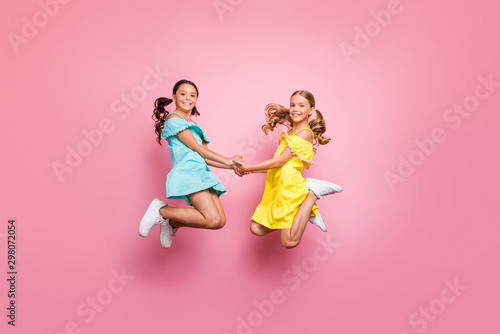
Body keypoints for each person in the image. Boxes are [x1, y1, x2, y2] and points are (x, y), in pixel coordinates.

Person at [139, 79, 243, 248]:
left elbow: (205, 157)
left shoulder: (194, 124)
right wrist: (228, 159)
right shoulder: (173, 120)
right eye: (183, 94)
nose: (188, 98)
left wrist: (231, 166)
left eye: (192, 95)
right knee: (212, 218)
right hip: (189, 174)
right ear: (174, 97)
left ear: (196, 99)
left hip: (201, 173)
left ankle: (172, 223)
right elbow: (195, 147)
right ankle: (162, 211)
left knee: (219, 221)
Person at [233, 90, 342, 249]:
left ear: (311, 110)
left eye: (301, 105)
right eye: (292, 105)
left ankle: (311, 195)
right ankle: (303, 211)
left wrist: (249, 167)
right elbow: (279, 166)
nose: (295, 109)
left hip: (288, 188)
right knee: (256, 228)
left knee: (289, 242)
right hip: (279, 186)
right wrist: (250, 171)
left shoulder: (304, 133)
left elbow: (279, 161)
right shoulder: (291, 133)